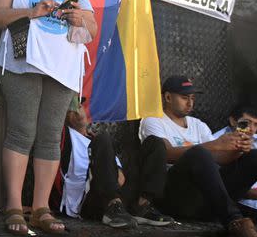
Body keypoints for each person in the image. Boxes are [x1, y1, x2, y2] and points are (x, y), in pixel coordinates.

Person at [0, 0, 97, 235]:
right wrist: (32, 11)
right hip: (23, 63)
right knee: (22, 131)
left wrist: (79, 18)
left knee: (50, 136)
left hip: (62, 68)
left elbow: (92, 27)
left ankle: (40, 209)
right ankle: (12, 206)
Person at [139, 75, 257, 237]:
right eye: (184, 97)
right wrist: (214, 146)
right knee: (199, 153)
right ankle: (235, 222)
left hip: (209, 196)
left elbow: (219, 159)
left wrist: (237, 150)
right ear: (168, 97)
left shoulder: (199, 125)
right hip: (178, 195)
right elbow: (165, 153)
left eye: (192, 98)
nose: (190, 103)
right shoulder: (153, 120)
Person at [58, 96, 173, 228]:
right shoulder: (64, 136)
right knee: (103, 138)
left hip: (118, 192)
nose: (77, 111)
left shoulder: (94, 139)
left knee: (155, 143)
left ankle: (142, 206)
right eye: (70, 110)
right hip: (90, 199)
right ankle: (112, 205)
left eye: (78, 106)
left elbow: (120, 177)